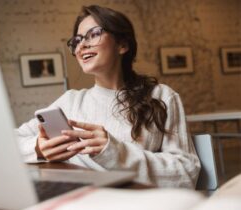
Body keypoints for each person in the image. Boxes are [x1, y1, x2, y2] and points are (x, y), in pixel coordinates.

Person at [16, 5, 200, 188]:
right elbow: (11, 142)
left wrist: (115, 153)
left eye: (94, 34)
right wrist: (38, 148)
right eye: (77, 40)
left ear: (122, 45)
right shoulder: (70, 101)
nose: (82, 46)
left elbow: (186, 172)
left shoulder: (161, 96)